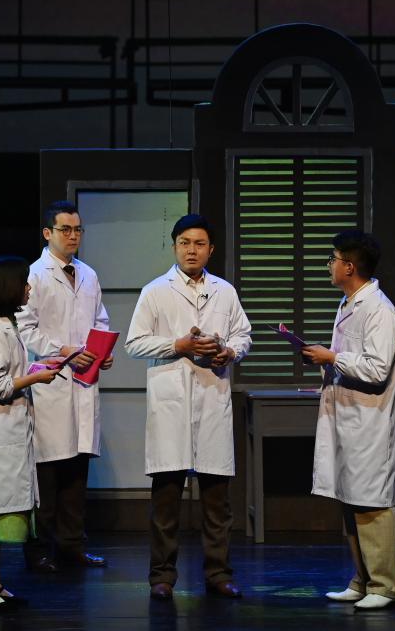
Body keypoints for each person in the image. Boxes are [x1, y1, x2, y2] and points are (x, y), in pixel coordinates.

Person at [125, 214, 252, 601]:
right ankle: (161, 577)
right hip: (171, 403)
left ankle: (218, 574)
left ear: (210, 249)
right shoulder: (155, 291)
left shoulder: (224, 292)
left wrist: (230, 351)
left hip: (211, 398)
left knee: (217, 501)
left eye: (198, 244)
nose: (191, 250)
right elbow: (134, 343)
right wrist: (177, 345)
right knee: (166, 502)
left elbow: (243, 335)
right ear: (174, 247)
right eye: (184, 243)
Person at [302, 230, 395, 610]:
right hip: (348, 416)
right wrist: (326, 359)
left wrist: (331, 358)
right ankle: (361, 580)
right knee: (350, 499)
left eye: (332, 259)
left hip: (369, 422)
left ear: (349, 266)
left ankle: (385, 586)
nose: (329, 266)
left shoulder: (379, 310)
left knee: (371, 503)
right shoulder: (350, 303)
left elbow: (377, 369)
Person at [17, 200, 112, 572]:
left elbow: (100, 321)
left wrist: (102, 352)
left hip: (83, 383)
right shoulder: (35, 274)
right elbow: (25, 330)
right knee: (47, 475)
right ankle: (39, 549)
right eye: (65, 230)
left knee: (76, 471)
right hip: (50, 384)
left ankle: (72, 546)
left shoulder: (88, 274)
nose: (73, 236)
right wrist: (64, 350)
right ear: (48, 233)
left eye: (77, 230)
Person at [0, 256, 61, 612]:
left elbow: (10, 374)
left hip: (8, 429)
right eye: (24, 281)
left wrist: (38, 367)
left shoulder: (6, 326)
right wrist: (35, 377)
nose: (28, 287)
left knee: (0, 509)